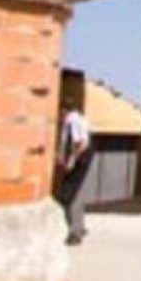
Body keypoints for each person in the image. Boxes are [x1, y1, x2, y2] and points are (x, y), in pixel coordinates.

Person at [55, 100, 92, 246]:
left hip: (79, 160)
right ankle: (80, 227)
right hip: (80, 159)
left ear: (64, 110)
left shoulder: (72, 121)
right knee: (76, 191)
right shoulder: (77, 119)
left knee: (68, 195)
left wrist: (71, 161)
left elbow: (81, 143)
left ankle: (74, 232)